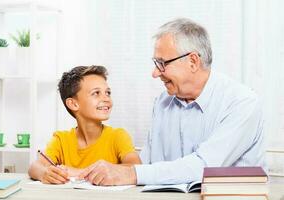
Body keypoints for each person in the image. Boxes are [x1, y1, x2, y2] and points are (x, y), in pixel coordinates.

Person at [78, 18, 265, 186]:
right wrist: (88, 173)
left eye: (162, 63)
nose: (155, 73)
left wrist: (130, 174)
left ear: (193, 61)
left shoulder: (242, 103)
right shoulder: (163, 102)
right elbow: (149, 164)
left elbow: (204, 167)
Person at [28, 65, 141, 184]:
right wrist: (45, 173)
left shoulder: (118, 136)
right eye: (96, 93)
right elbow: (35, 167)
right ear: (73, 104)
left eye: (108, 93)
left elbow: (135, 167)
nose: (106, 98)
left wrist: (74, 172)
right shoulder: (61, 140)